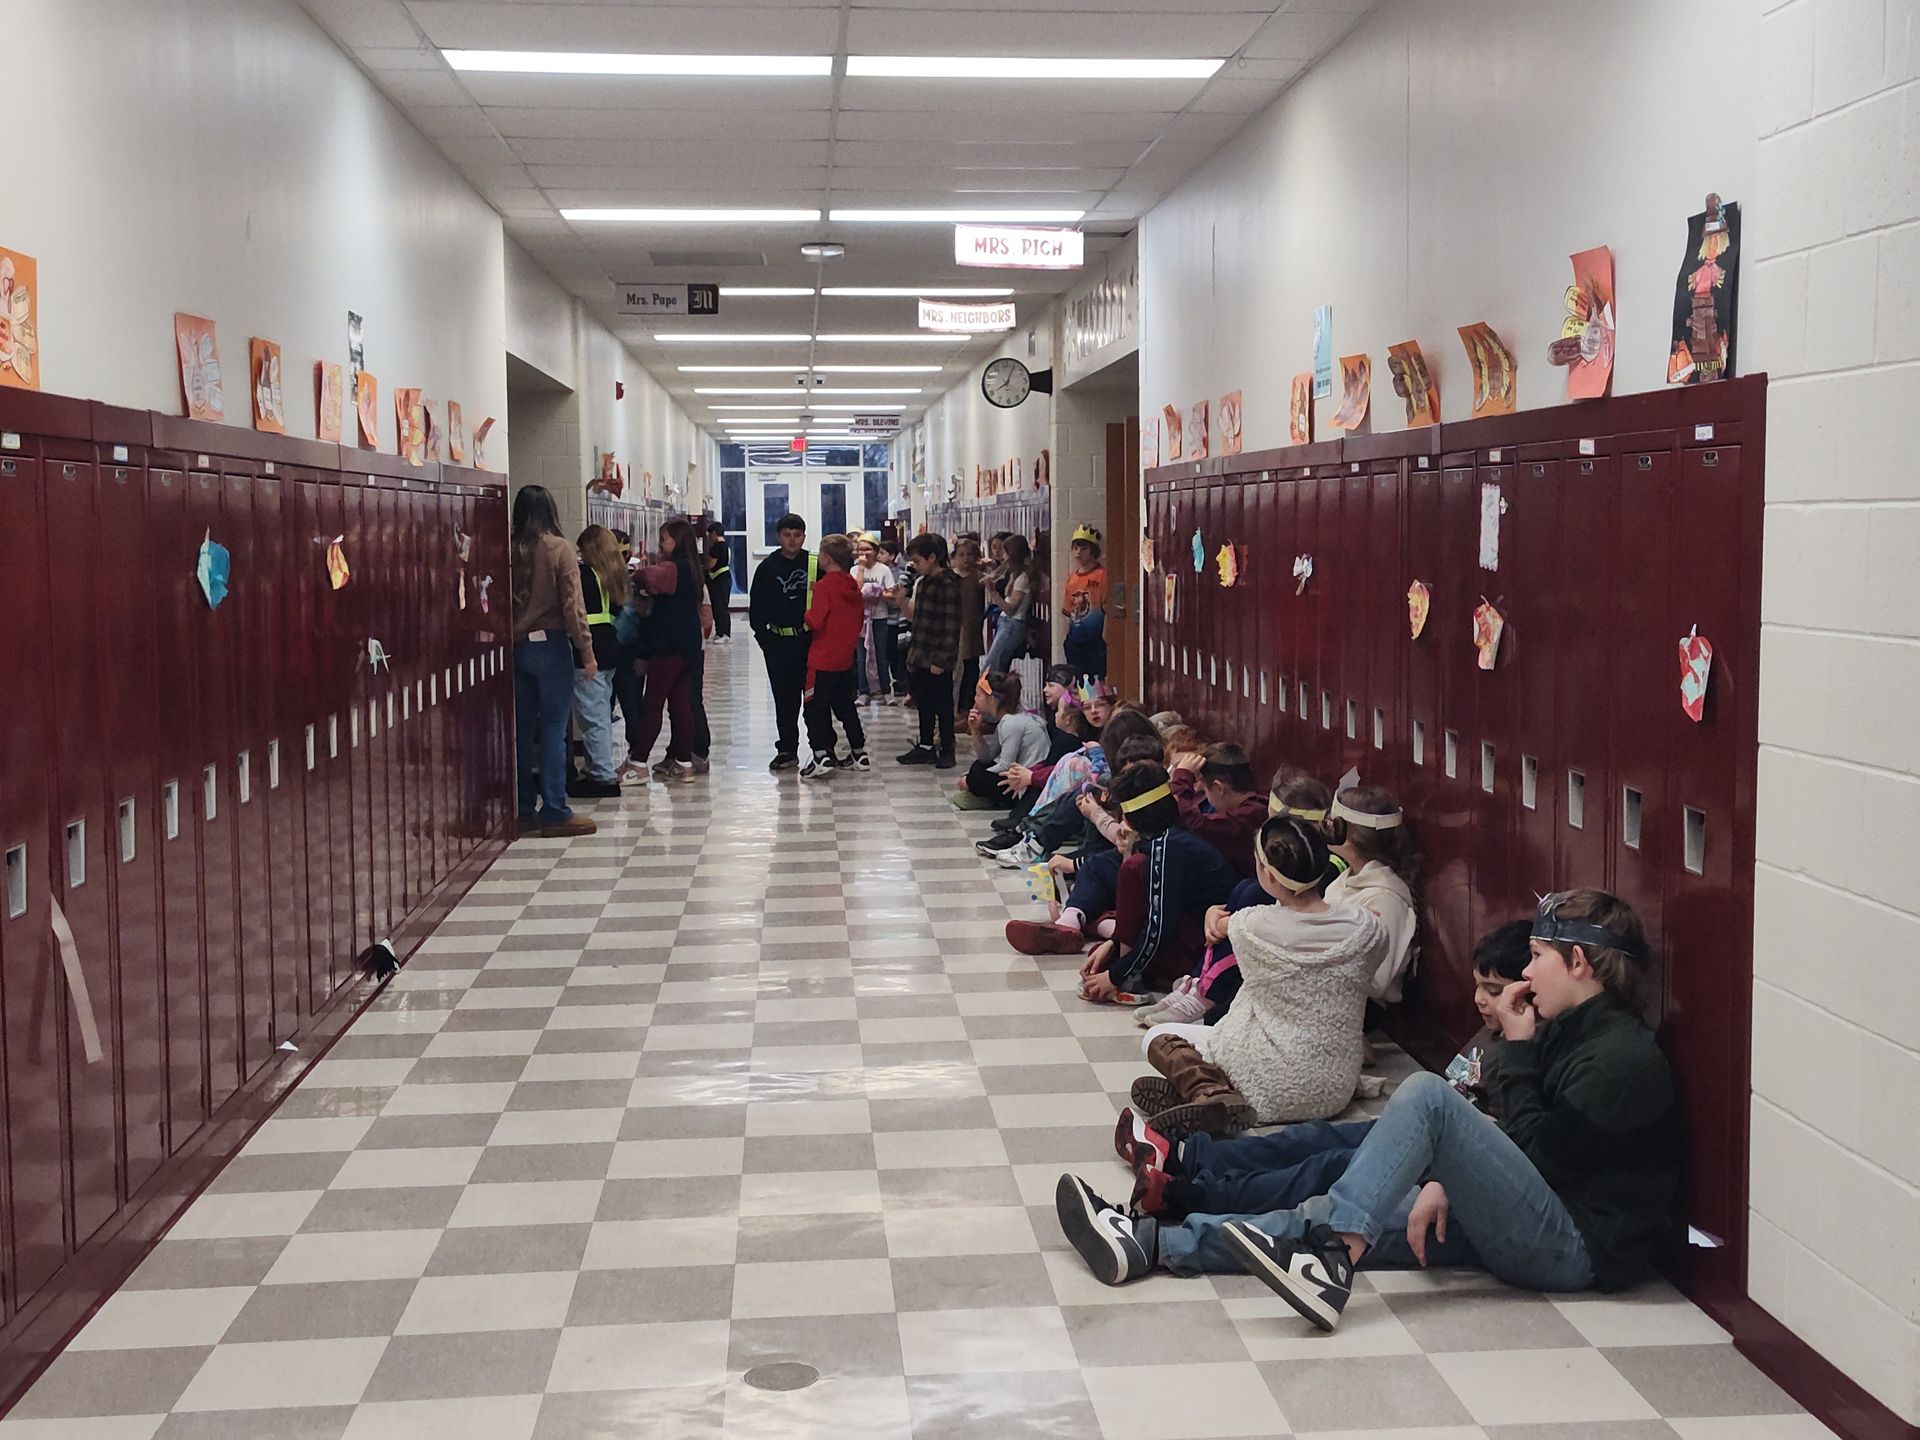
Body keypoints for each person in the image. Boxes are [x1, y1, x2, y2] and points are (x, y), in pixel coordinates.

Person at [1056, 891, 1683, 1329]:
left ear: (1578, 963)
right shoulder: (1574, 1029)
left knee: (1425, 1100)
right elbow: (1529, 1155)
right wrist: (1451, 1178)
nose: (1525, 970)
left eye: (1540, 955)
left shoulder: (1620, 1060)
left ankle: (1332, 1257)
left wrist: (1513, 1059)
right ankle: (1155, 1243)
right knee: (1327, 1210)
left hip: (1570, 1249)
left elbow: (1542, 1160)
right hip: (1528, 1216)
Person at [1120, 921, 1534, 1220]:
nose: (1482, 1000)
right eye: (1479, 987)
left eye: (1495, 992)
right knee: (1318, 1137)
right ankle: (1186, 1154)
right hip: (1430, 1134)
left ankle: (1185, 1195)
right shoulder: (1491, 1034)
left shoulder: (1527, 1048)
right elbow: (1453, 1086)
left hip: (1456, 1161)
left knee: (1330, 1166)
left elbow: (1515, 1135)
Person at [1135, 815, 1388, 1132]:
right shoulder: (1367, 926)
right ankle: (1206, 1100)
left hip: (1262, 1082)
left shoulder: (1253, 924)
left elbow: (1220, 926)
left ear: (1267, 874)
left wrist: (1212, 914)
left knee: (1156, 1038)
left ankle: (1209, 1094)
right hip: (1335, 1087)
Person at [1074, 762, 1241, 1004]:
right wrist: (1115, 943)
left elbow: (1159, 926)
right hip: (1200, 938)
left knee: (1131, 870)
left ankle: (1132, 980)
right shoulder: (1171, 837)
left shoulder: (1169, 847)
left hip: (1204, 949)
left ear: (1130, 815)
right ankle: (1108, 941)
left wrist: (1117, 975)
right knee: (1102, 956)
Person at [510, 485, 596, 836]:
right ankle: (556, 810)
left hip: (516, 648)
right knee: (554, 731)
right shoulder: (560, 549)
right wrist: (587, 652)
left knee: (520, 731)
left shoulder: (508, 548)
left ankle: (523, 808)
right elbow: (573, 607)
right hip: (551, 647)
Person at [1322, 786, 1420, 1003]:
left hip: (1363, 1005)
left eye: (1332, 822)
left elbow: (1376, 980)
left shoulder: (1385, 899)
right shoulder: (1344, 881)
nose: (1325, 826)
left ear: (1347, 836)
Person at [624, 518, 703, 782]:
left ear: (677, 541)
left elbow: (646, 576)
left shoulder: (672, 568)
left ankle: (638, 763)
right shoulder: (693, 567)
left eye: (664, 539)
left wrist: (633, 572)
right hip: (688, 644)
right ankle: (684, 762)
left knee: (653, 704)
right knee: (680, 704)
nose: (661, 544)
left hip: (668, 644)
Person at [749, 513, 814, 770]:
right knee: (784, 698)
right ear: (778, 537)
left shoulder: (813, 564)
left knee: (813, 697)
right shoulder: (767, 568)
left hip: (808, 640)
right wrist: (764, 638)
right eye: (787, 535)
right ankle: (787, 748)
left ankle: (821, 746)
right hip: (777, 642)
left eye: (797, 535)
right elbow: (757, 608)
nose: (792, 540)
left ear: (804, 537)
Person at [567, 525, 628, 800]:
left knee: (592, 719)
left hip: (588, 651)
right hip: (609, 648)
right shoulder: (610, 577)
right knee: (601, 713)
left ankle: (602, 776)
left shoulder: (583, 575)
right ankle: (597, 769)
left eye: (581, 550)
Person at [800, 534, 867, 779]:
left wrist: (806, 613)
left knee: (814, 708)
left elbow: (815, 621)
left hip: (821, 658)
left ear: (826, 558)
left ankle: (820, 755)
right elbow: (858, 620)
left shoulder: (824, 587)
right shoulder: (853, 587)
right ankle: (859, 752)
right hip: (844, 658)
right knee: (845, 706)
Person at [896, 533, 963, 769]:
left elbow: (951, 626)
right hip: (920, 653)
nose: (913, 565)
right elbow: (916, 618)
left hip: (937, 657)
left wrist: (941, 658)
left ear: (932, 557)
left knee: (942, 703)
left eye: (917, 560)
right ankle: (925, 746)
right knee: (923, 702)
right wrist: (902, 601)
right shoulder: (922, 583)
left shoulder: (948, 585)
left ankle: (947, 747)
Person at [1166, 743, 1267, 877]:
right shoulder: (1256, 807)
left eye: (1206, 789)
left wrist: (1182, 776)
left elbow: (1191, 821)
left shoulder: (1248, 816)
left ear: (1219, 788)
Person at [954, 670, 1048, 810]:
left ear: (992, 699)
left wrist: (969, 780)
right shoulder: (1007, 718)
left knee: (977, 775)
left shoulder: (1011, 723)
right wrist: (975, 730)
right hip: (1018, 774)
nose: (975, 700)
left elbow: (1005, 765)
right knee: (977, 767)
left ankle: (995, 799)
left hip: (1024, 784)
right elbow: (987, 757)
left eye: (978, 695)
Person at [850, 533, 896, 704]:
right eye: (861, 549)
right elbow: (855, 590)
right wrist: (861, 568)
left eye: (868, 549)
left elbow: (891, 593)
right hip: (860, 620)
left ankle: (885, 690)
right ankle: (863, 691)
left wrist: (878, 594)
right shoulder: (854, 570)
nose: (864, 553)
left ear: (876, 551)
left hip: (879, 618)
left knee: (880, 654)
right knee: (861, 655)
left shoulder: (883, 570)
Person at [1062, 523, 1109, 678]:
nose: (1078, 552)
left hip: (1094, 642)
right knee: (1076, 681)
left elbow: (1107, 610)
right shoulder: (1072, 579)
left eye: (1083, 549)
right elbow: (1067, 612)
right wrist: (1067, 638)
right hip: (1074, 641)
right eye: (1075, 548)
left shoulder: (1101, 575)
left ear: (1093, 551)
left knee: (1095, 682)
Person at [983, 534, 1034, 672]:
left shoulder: (1022, 578)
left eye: (1005, 552)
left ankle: (987, 693)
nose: (1002, 555)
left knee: (990, 669)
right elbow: (998, 571)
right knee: (999, 668)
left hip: (1013, 624)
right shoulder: (1014, 573)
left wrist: (993, 593)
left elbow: (1011, 609)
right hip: (1006, 623)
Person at [952, 536, 986, 711]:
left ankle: (967, 706)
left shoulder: (979, 578)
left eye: (970, 555)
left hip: (972, 629)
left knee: (971, 667)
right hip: (954, 628)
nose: (966, 559)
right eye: (962, 554)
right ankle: (956, 707)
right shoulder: (951, 578)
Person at [704, 522, 733, 642]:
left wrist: (701, 567)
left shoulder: (716, 547)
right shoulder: (727, 545)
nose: (709, 538)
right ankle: (726, 633)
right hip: (726, 577)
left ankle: (721, 633)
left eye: (710, 534)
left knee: (718, 606)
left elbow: (711, 564)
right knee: (724, 606)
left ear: (714, 534)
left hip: (717, 579)